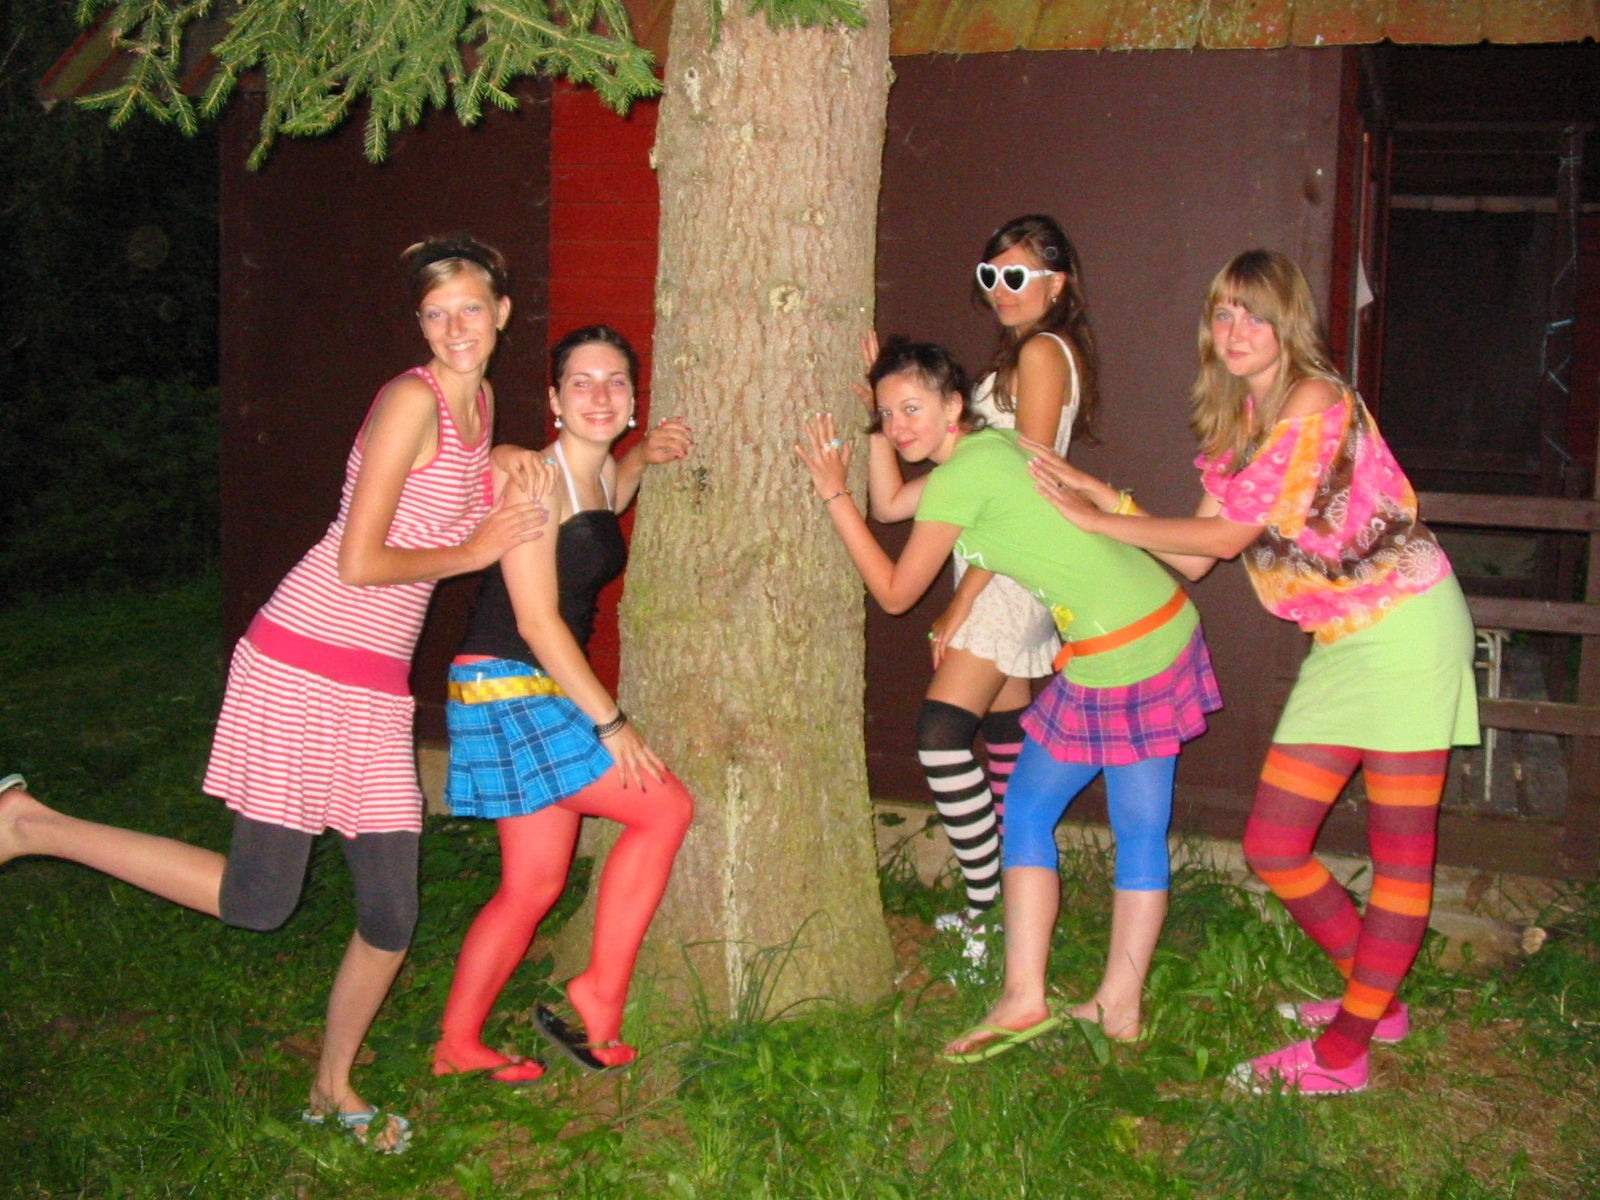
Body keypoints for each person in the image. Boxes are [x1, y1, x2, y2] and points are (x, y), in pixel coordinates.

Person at [0, 234, 551, 1150]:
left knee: (391, 913)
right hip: (304, 661)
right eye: (435, 313)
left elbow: (450, 484)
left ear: (501, 312)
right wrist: (475, 550)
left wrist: (504, 460)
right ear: (419, 324)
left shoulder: (479, 401)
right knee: (260, 900)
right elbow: (359, 559)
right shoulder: (411, 399)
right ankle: (29, 825)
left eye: (470, 308)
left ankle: (332, 1088)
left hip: (372, 684)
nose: (455, 327)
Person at [1029, 248, 1477, 1095]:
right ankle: (1373, 1001)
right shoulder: (1244, 417)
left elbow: (1227, 538)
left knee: (1400, 853)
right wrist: (1096, 493)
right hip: (1343, 642)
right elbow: (1195, 558)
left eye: (1255, 315)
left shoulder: (1312, 400)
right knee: (1274, 843)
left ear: (1288, 324)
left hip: (1409, 628)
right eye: (1224, 313)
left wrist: (1099, 522)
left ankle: (1345, 1054)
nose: (1236, 330)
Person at [796, 337, 1219, 1057]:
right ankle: (1118, 1006)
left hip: (1119, 655)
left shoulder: (962, 478)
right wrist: (878, 424)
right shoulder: (992, 451)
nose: (899, 427)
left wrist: (834, 494)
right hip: (1164, 623)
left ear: (952, 406)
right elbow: (938, 513)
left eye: (912, 410)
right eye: (887, 415)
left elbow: (895, 592)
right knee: (1138, 827)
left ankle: (1025, 998)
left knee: (1025, 812)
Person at [432, 325, 695, 1082]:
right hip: (507, 682)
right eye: (581, 382)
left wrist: (640, 459)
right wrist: (611, 723)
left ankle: (457, 1043)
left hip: (532, 685)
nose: (600, 396)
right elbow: (537, 621)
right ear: (553, 399)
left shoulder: (601, 473)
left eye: (616, 382)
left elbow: (607, 503)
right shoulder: (535, 481)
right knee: (664, 808)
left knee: (534, 885)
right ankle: (600, 991)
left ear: (634, 399)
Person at [862, 215, 1099, 954]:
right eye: (990, 275)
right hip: (997, 564)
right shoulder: (1018, 359)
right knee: (1003, 735)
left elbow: (1022, 486)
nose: (1001, 289)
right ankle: (1011, 902)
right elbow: (892, 503)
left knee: (940, 736)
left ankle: (984, 901)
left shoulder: (1041, 353)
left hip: (1008, 571)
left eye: (1017, 275)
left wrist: (958, 605)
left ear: (1057, 284)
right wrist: (876, 402)